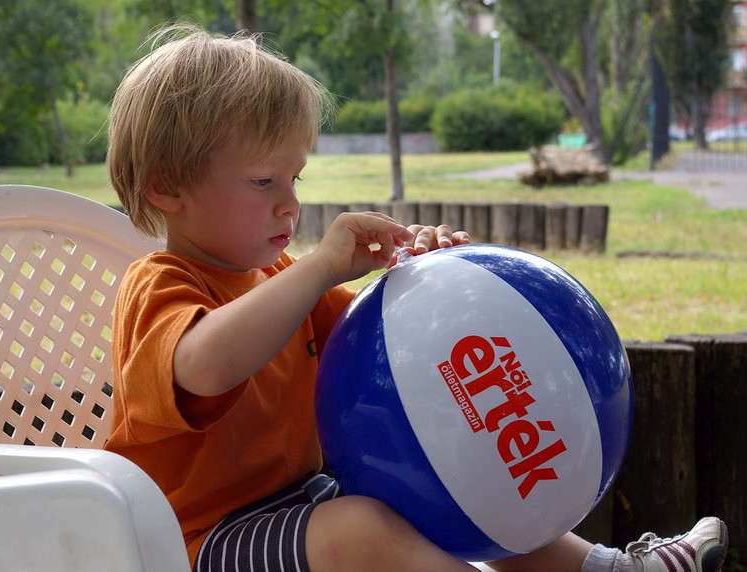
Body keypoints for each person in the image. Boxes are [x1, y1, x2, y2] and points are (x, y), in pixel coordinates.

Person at [104, 23, 729, 572]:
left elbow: (397, 351)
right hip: (196, 541)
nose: (289, 203)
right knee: (361, 533)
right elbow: (206, 367)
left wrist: (431, 282)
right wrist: (321, 268)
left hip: (308, 502)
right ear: (168, 187)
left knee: (466, 489)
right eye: (263, 181)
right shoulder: (161, 284)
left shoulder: (275, 282)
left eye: (294, 178)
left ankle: (611, 571)